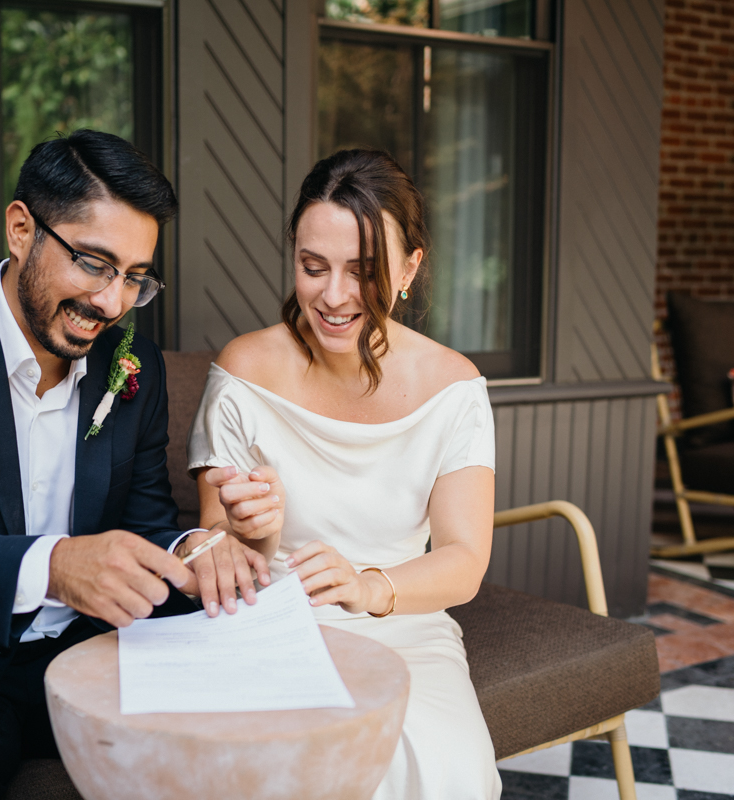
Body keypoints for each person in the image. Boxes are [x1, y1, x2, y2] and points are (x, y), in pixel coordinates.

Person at [0, 130, 274, 800]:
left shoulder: (132, 366)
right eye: (94, 263)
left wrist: (197, 547)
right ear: (21, 228)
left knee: (237, 764)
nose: (112, 303)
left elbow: (147, 525)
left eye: (135, 278)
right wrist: (53, 567)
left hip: (96, 663)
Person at [188, 149, 502, 799]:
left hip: (405, 625)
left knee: (442, 768)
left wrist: (366, 586)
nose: (333, 297)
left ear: (410, 268)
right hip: (271, 625)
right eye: (313, 267)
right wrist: (249, 535)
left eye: (363, 272)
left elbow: (465, 559)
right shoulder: (245, 370)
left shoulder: (455, 387)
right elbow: (216, 545)